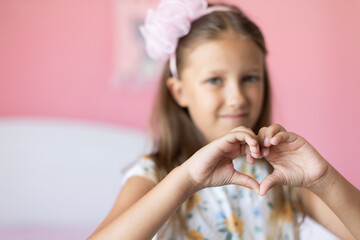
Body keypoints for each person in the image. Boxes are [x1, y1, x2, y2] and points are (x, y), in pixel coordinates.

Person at [88, 1, 360, 239]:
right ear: (179, 92)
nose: (237, 98)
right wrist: (187, 180)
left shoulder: (281, 174)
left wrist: (324, 179)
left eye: (250, 78)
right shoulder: (155, 174)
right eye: (215, 80)